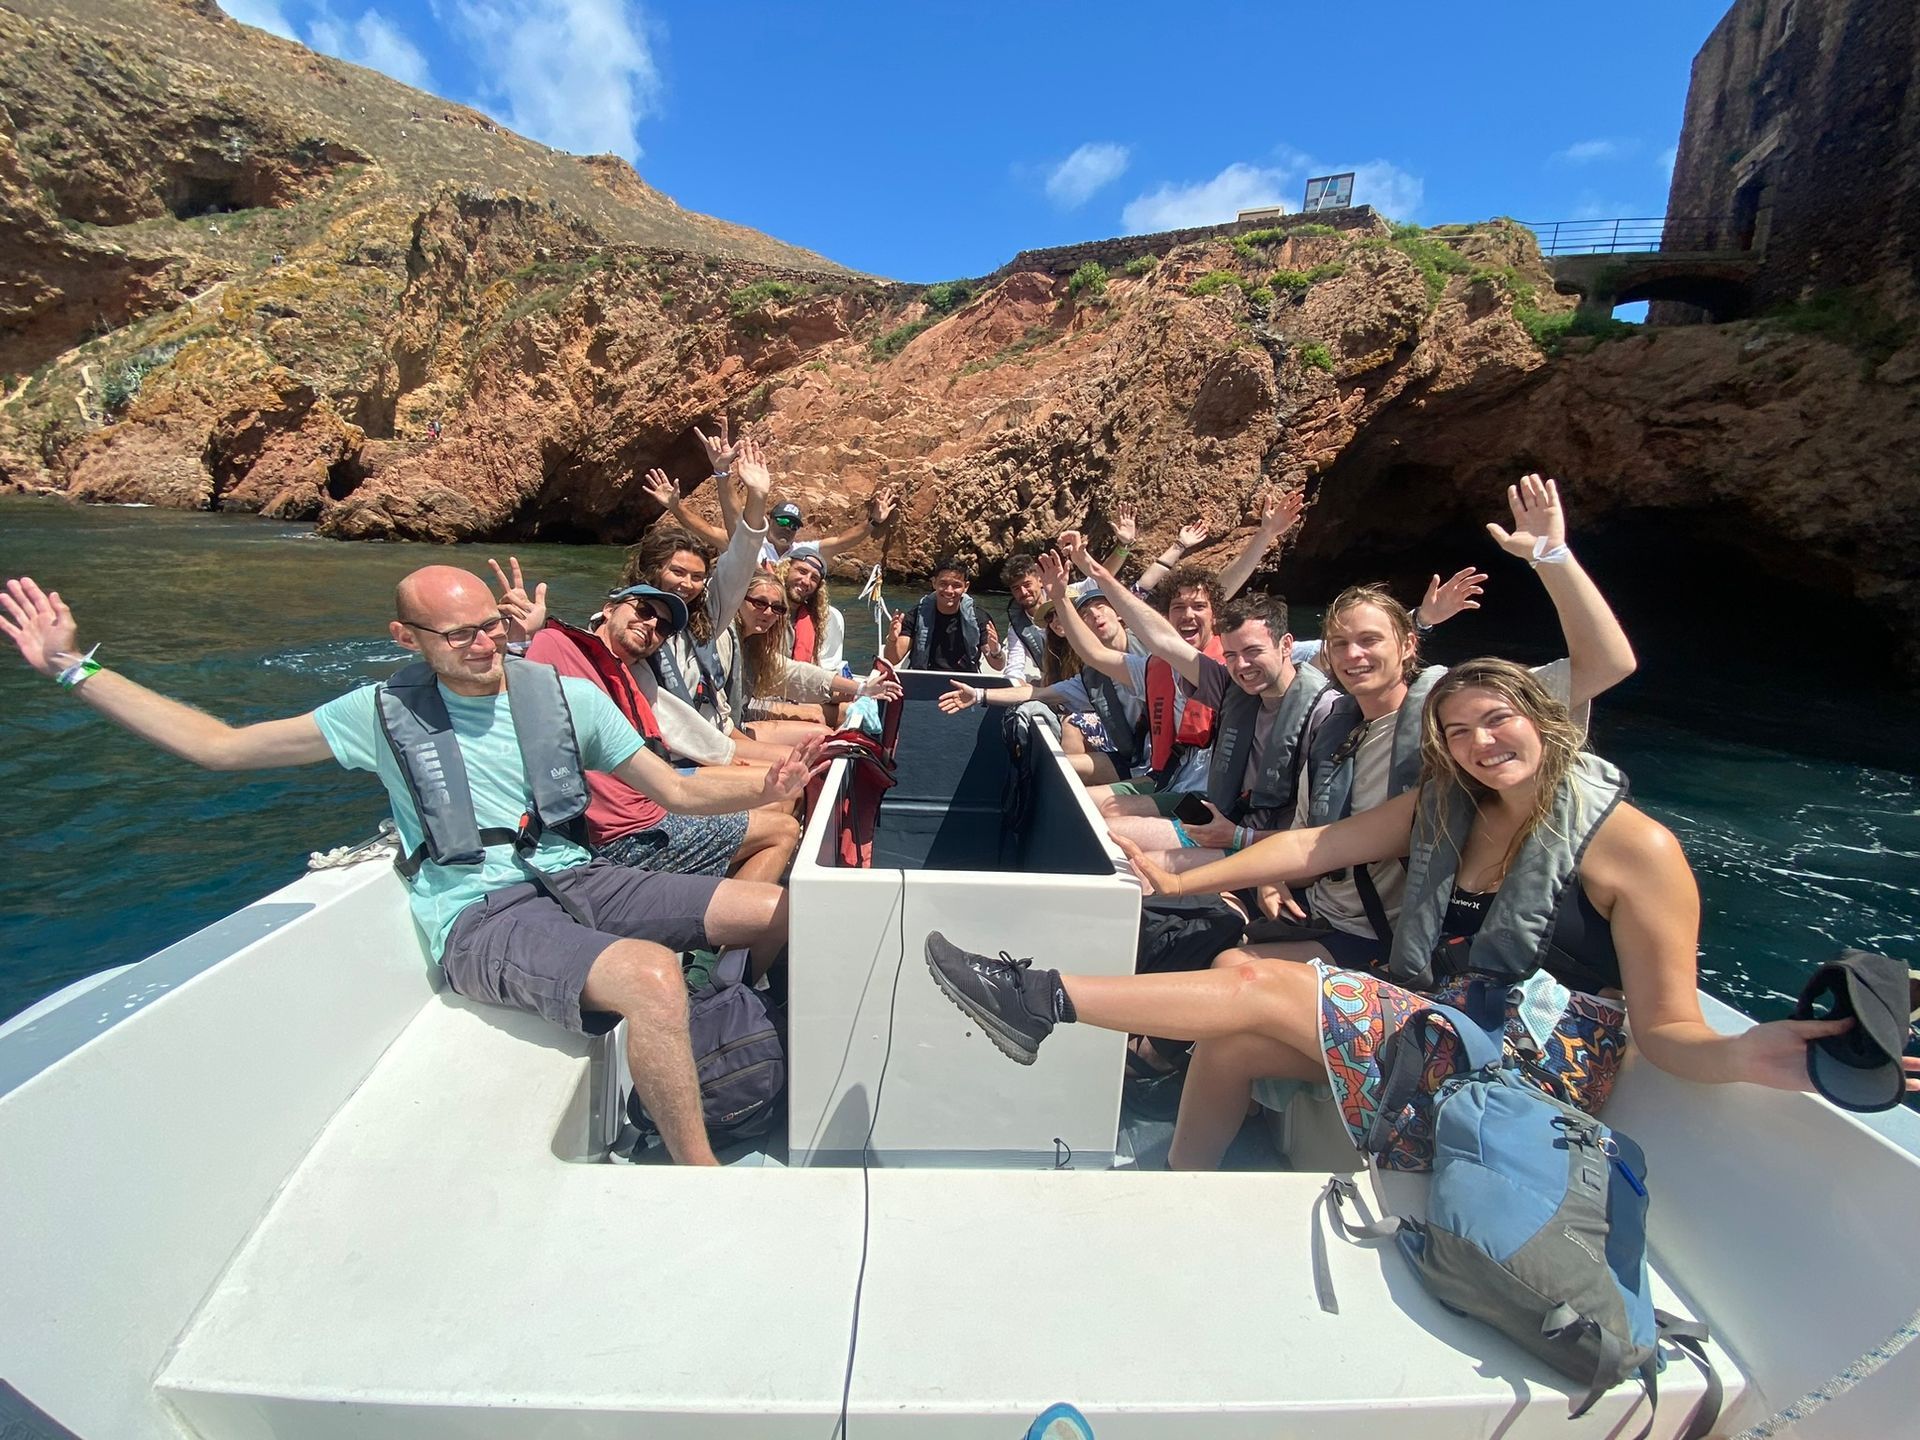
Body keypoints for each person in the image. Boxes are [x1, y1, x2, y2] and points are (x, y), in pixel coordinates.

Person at [922, 658, 1920, 1171]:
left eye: (1501, 721)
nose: (1484, 743)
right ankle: (1182, 1195)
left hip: (1534, 1071)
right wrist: (1180, 877)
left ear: (1546, 720)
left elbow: (1667, 1027)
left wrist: (1747, 1055)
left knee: (1254, 983)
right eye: (1460, 732)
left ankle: (1038, 999)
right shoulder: (1449, 809)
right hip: (1440, 1025)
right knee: (1235, 1024)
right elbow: (1315, 847)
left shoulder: (1637, 850)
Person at [0, 568, 818, 1167]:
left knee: (790, 913)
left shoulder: (561, 697)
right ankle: (698, 1175)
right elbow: (218, 748)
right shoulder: (376, 713)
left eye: (490, 628)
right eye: (458, 635)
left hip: (578, 873)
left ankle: (726, 1033)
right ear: (409, 639)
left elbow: (671, 789)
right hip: (479, 910)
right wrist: (77, 670)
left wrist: (766, 785)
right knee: (648, 978)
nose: (482, 646)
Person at [1280, 475, 1636, 966]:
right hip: (1317, 909)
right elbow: (1308, 839)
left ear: (1408, 646)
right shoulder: (1333, 728)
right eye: (1339, 644)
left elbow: (1607, 664)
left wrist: (1552, 557)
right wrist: (1272, 876)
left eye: (1369, 641)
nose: (1352, 655)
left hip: (1395, 941)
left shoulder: (1455, 710)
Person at [517, 571, 804, 886]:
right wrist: (522, 638)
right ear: (609, 609)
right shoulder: (557, 644)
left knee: (781, 797)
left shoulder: (630, 674)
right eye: (643, 611)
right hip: (622, 832)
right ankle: (724, 920)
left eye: (663, 627)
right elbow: (518, 683)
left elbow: (669, 743)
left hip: (652, 799)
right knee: (782, 830)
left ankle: (707, 899)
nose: (651, 624)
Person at [1058, 531, 1327, 861]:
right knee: (1079, 807)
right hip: (1175, 785)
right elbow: (1108, 652)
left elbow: (1331, 648)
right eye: (1178, 607)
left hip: (1221, 809)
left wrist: (1266, 534)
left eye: (1199, 607)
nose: (1243, 663)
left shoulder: (1246, 673)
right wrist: (1062, 594)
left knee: (1103, 828)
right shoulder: (1193, 670)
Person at [939, 579, 1142, 784]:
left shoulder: (1145, 658)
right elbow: (1036, 692)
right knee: (1056, 768)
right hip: (1135, 758)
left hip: (1151, 762)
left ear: (1119, 614)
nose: (1095, 615)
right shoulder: (1089, 677)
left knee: (1071, 726)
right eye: (1086, 614)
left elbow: (1140, 592)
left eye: (1100, 607)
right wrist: (979, 694)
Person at [733, 571, 902, 727]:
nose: (769, 612)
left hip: (750, 709)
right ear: (739, 599)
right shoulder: (728, 641)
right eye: (760, 603)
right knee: (818, 724)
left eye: (777, 608)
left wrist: (861, 688)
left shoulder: (757, 647)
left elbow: (796, 673)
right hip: (734, 721)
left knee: (827, 717)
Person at [886, 558, 1001, 672]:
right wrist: (892, 639)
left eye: (956, 585)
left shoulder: (979, 618)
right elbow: (892, 659)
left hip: (965, 683)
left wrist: (995, 651)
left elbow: (998, 665)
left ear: (966, 587)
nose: (949, 591)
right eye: (943, 584)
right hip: (924, 680)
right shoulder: (916, 615)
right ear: (934, 583)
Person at [779, 550, 844, 672]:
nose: (806, 581)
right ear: (786, 569)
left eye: (814, 578)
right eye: (802, 571)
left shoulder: (817, 622)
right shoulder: (765, 609)